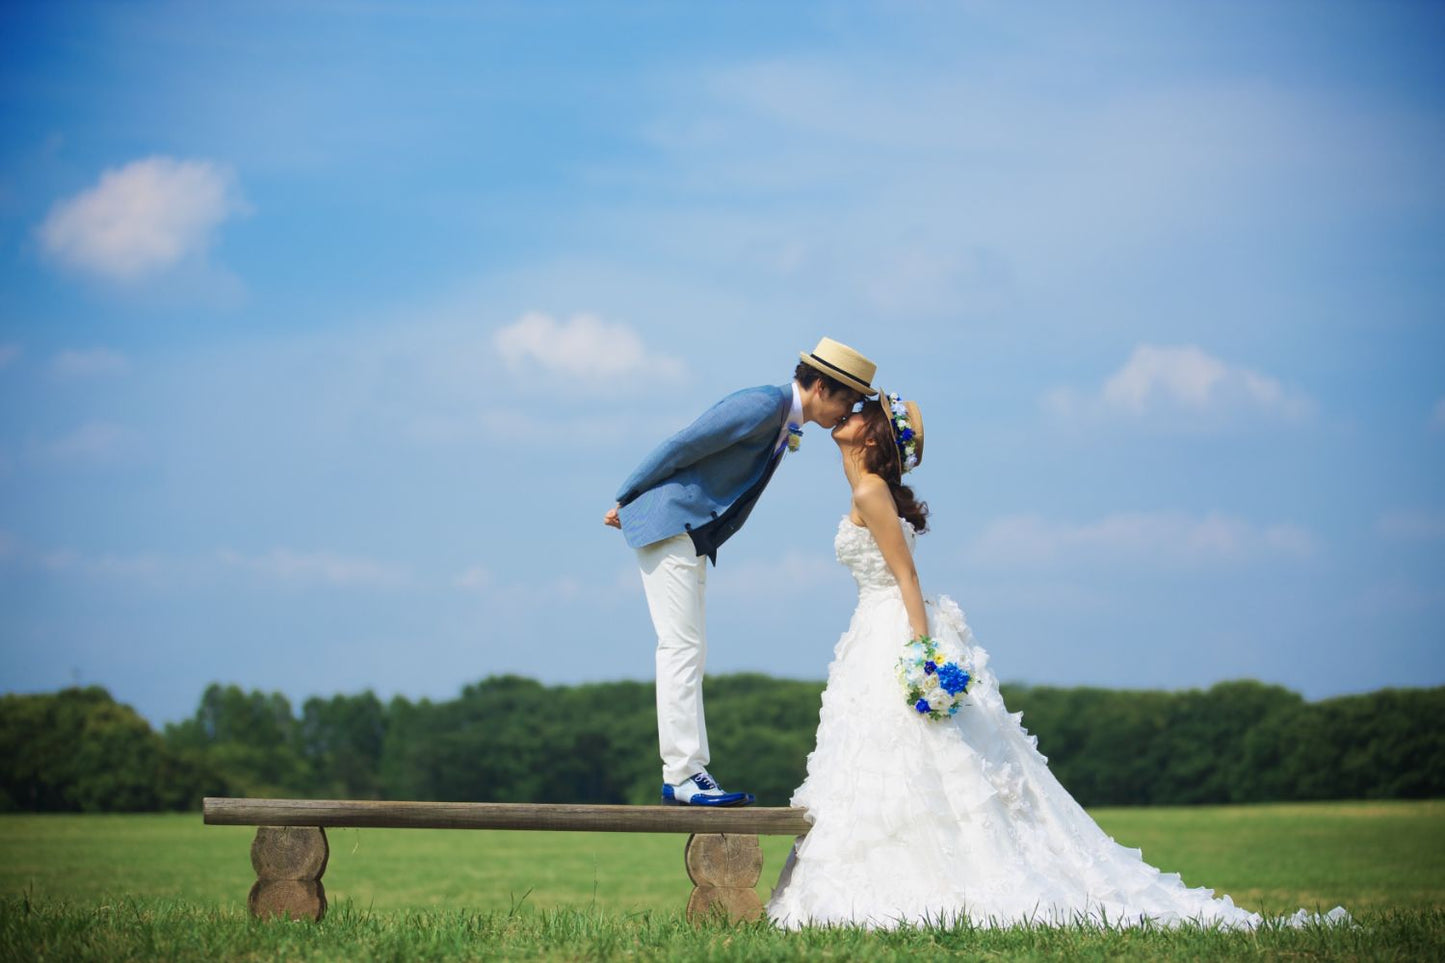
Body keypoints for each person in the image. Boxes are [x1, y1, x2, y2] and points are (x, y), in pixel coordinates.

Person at [767, 393, 1350, 928]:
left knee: (917, 752)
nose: (847, 412)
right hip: (871, 629)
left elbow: (907, 577)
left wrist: (922, 652)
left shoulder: (869, 491)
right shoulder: (865, 488)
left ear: (872, 439)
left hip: (894, 627)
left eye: (860, 411)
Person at [605, 338, 878, 807]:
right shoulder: (762, 404)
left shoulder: (783, 420)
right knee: (680, 648)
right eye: (847, 399)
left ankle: (689, 773)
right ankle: (684, 776)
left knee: (691, 649)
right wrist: (627, 497)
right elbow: (684, 443)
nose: (848, 410)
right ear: (818, 386)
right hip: (669, 523)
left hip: (691, 534)